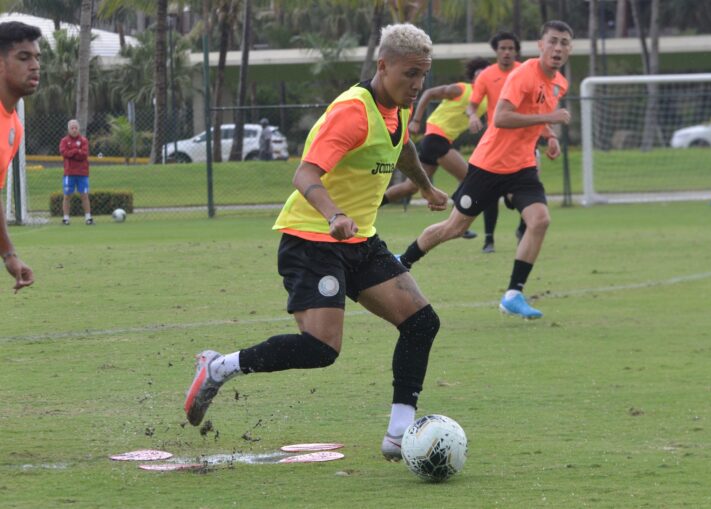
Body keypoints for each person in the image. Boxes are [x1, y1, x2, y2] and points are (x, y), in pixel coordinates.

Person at [184, 23, 449, 461]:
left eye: (424, 74)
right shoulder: (351, 112)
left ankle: (400, 435)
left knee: (422, 322)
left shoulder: (397, 107)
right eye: (410, 74)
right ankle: (217, 368)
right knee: (321, 349)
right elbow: (304, 174)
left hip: (360, 241)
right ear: (383, 66)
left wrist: (424, 186)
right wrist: (334, 215)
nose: (418, 85)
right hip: (312, 239)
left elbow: (400, 146)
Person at [398, 20, 573, 320]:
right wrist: (550, 117)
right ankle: (402, 261)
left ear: (570, 49)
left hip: (523, 167)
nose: (558, 48)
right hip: (489, 164)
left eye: (564, 43)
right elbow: (502, 118)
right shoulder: (523, 74)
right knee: (454, 228)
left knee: (540, 220)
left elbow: (536, 117)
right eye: (553, 41)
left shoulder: (560, 83)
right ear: (541, 45)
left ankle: (513, 295)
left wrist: (550, 136)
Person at [380, 57, 490, 240]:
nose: (484, 76)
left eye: (487, 73)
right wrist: (416, 120)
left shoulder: (485, 99)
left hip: (441, 141)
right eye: (480, 73)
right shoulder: (461, 89)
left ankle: (372, 203)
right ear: (473, 76)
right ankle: (457, 220)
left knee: (410, 187)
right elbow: (429, 93)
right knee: (469, 177)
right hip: (436, 138)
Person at [466, 31, 522, 253]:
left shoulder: (525, 72)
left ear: (516, 51)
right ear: (496, 51)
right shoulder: (486, 76)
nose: (507, 52)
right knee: (492, 192)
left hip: (524, 142)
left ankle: (523, 227)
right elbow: (473, 104)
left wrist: (550, 135)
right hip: (496, 143)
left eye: (510, 48)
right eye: (502, 48)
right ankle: (489, 239)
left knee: (529, 190)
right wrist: (472, 115)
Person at [0, 21, 40, 293]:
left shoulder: (14, 125)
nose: (35, 65)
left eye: (37, 57)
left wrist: (9, 255)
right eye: (23, 58)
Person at [59, 119, 93, 225]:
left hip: (82, 172)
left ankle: (88, 218)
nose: (74, 130)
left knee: (84, 195)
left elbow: (84, 154)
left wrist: (72, 152)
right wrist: (76, 151)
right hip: (69, 173)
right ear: (68, 129)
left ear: (79, 129)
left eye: (76, 128)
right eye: (72, 128)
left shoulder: (83, 140)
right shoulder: (64, 141)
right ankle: (66, 218)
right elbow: (64, 153)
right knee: (67, 195)